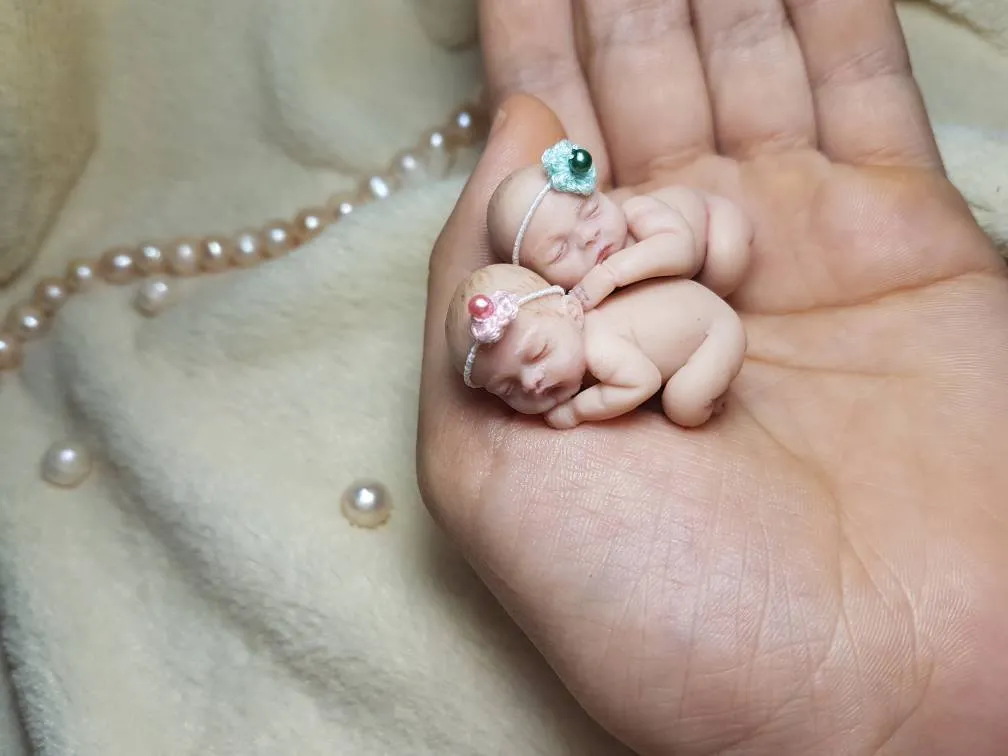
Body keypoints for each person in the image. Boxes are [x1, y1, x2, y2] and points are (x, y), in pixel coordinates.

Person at [417, 1, 1008, 754]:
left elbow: (672, 262)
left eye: (586, 215)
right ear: (544, 279)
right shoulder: (588, 315)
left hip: (708, 248)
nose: (592, 239)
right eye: (565, 250)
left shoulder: (633, 223)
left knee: (707, 321)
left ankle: (712, 367)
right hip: (699, 326)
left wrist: (612, 294)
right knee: (692, 397)